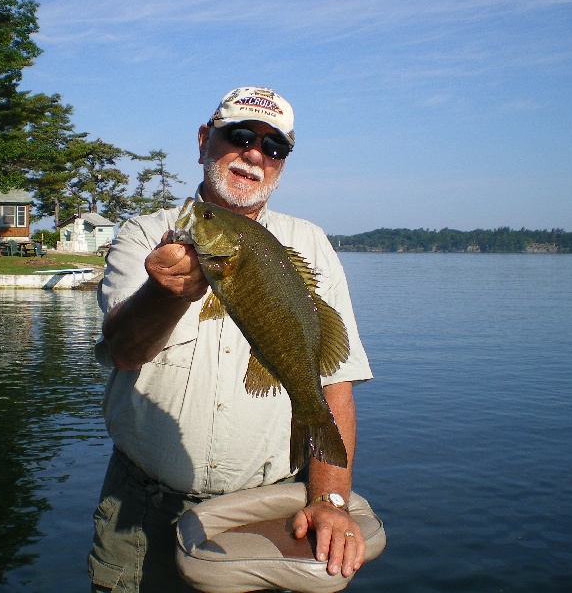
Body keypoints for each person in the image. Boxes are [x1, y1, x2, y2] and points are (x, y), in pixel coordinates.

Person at [89, 87, 373, 593]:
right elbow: (125, 351)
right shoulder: (143, 234)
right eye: (239, 136)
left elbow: (334, 386)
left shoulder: (310, 243)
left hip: (264, 511)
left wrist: (330, 500)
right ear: (204, 140)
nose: (254, 154)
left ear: (283, 163)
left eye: (274, 147)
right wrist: (167, 293)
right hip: (142, 512)